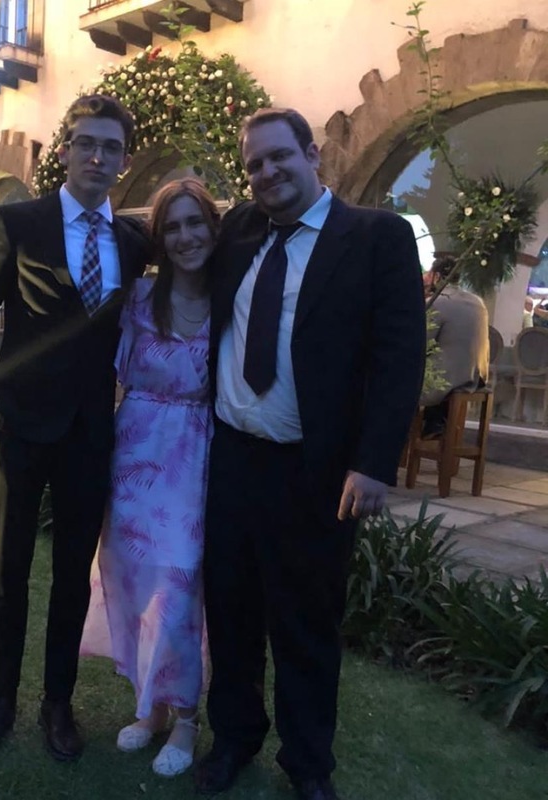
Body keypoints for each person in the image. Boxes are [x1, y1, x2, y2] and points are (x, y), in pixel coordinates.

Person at [194, 108, 426, 800]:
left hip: (315, 470)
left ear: (312, 154)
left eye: (278, 157)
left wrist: (374, 462)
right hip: (231, 459)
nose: (267, 173)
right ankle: (234, 737)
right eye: (254, 165)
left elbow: (398, 357)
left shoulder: (376, 238)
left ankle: (308, 763)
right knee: (230, 612)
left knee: (307, 624)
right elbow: (171, 236)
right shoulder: (240, 229)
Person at [0, 94, 151, 762]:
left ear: (124, 161)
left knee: (73, 575)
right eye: (87, 143)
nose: (98, 156)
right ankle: (0, 697)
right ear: (65, 151)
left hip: (90, 432)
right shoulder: (18, 221)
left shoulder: (133, 242)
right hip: (16, 427)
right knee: (7, 571)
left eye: (111, 147)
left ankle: (57, 703)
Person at [80, 178, 218, 777]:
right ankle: (151, 707)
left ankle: (186, 717)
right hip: (135, 451)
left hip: (195, 455)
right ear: (160, 239)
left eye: (195, 223)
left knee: (180, 586)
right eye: (173, 227)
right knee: (133, 580)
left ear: (212, 228)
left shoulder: (233, 298)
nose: (185, 237)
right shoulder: (137, 297)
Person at [420, 256, 489, 437]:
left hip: (446, 380)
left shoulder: (438, 301)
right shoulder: (478, 302)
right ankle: (437, 423)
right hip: (475, 377)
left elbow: (422, 344)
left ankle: (410, 436)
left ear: (436, 276)